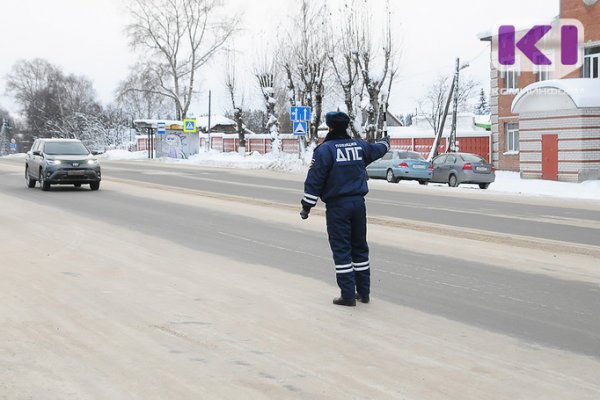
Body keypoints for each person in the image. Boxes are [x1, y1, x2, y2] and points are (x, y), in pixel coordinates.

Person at [300, 111, 390, 307]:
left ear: (330, 127)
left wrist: (307, 206)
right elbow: (378, 149)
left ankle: (348, 295)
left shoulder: (325, 150)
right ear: (346, 126)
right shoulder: (359, 146)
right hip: (358, 205)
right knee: (360, 249)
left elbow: (315, 180)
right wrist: (386, 141)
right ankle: (364, 293)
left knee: (342, 250)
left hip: (338, 207)